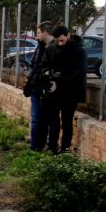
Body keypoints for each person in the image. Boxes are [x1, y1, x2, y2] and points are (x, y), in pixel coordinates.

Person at [40, 25, 87, 153]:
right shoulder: (50, 49)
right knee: (53, 119)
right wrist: (47, 75)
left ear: (68, 36)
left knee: (67, 120)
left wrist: (58, 81)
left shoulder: (78, 51)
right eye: (57, 41)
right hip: (54, 91)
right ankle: (52, 147)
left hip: (71, 92)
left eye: (62, 40)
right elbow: (45, 66)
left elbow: (76, 72)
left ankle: (65, 148)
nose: (60, 44)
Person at [24, 21, 54, 151]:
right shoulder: (40, 47)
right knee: (36, 118)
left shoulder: (53, 49)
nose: (37, 36)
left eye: (38, 32)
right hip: (36, 86)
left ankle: (44, 145)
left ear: (45, 32)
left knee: (45, 119)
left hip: (46, 88)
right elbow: (34, 65)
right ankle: (34, 146)